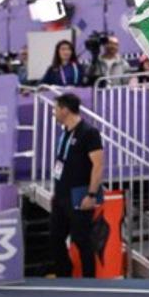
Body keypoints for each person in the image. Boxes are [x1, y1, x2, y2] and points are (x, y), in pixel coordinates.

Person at [48, 93, 104, 278]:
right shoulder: (65, 132)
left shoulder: (89, 133)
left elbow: (98, 164)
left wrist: (91, 194)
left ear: (65, 110)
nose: (54, 113)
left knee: (82, 240)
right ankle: (64, 274)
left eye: (56, 109)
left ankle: (90, 280)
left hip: (80, 194)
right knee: (55, 238)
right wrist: (55, 191)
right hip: (61, 194)